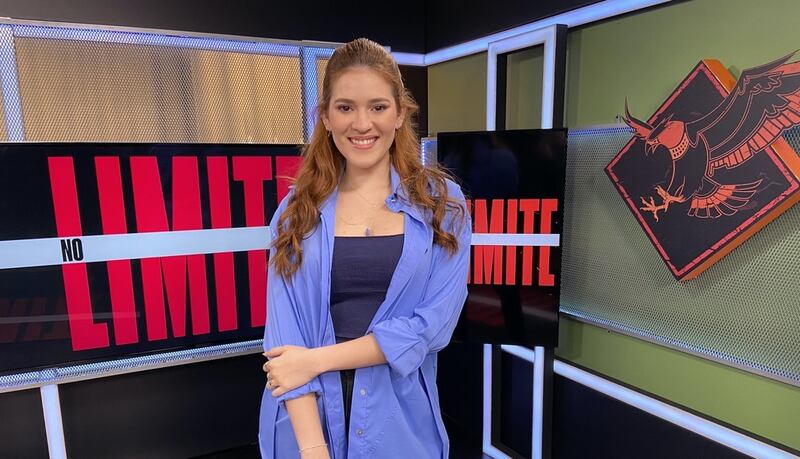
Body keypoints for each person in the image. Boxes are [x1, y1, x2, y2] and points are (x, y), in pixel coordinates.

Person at [258, 38, 472, 459]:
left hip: (401, 426)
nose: (362, 124)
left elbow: (431, 328)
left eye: (377, 107)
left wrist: (316, 360)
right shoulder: (295, 210)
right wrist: (313, 449)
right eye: (345, 107)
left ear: (400, 113)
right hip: (306, 421)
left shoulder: (443, 204)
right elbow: (285, 340)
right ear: (325, 116)